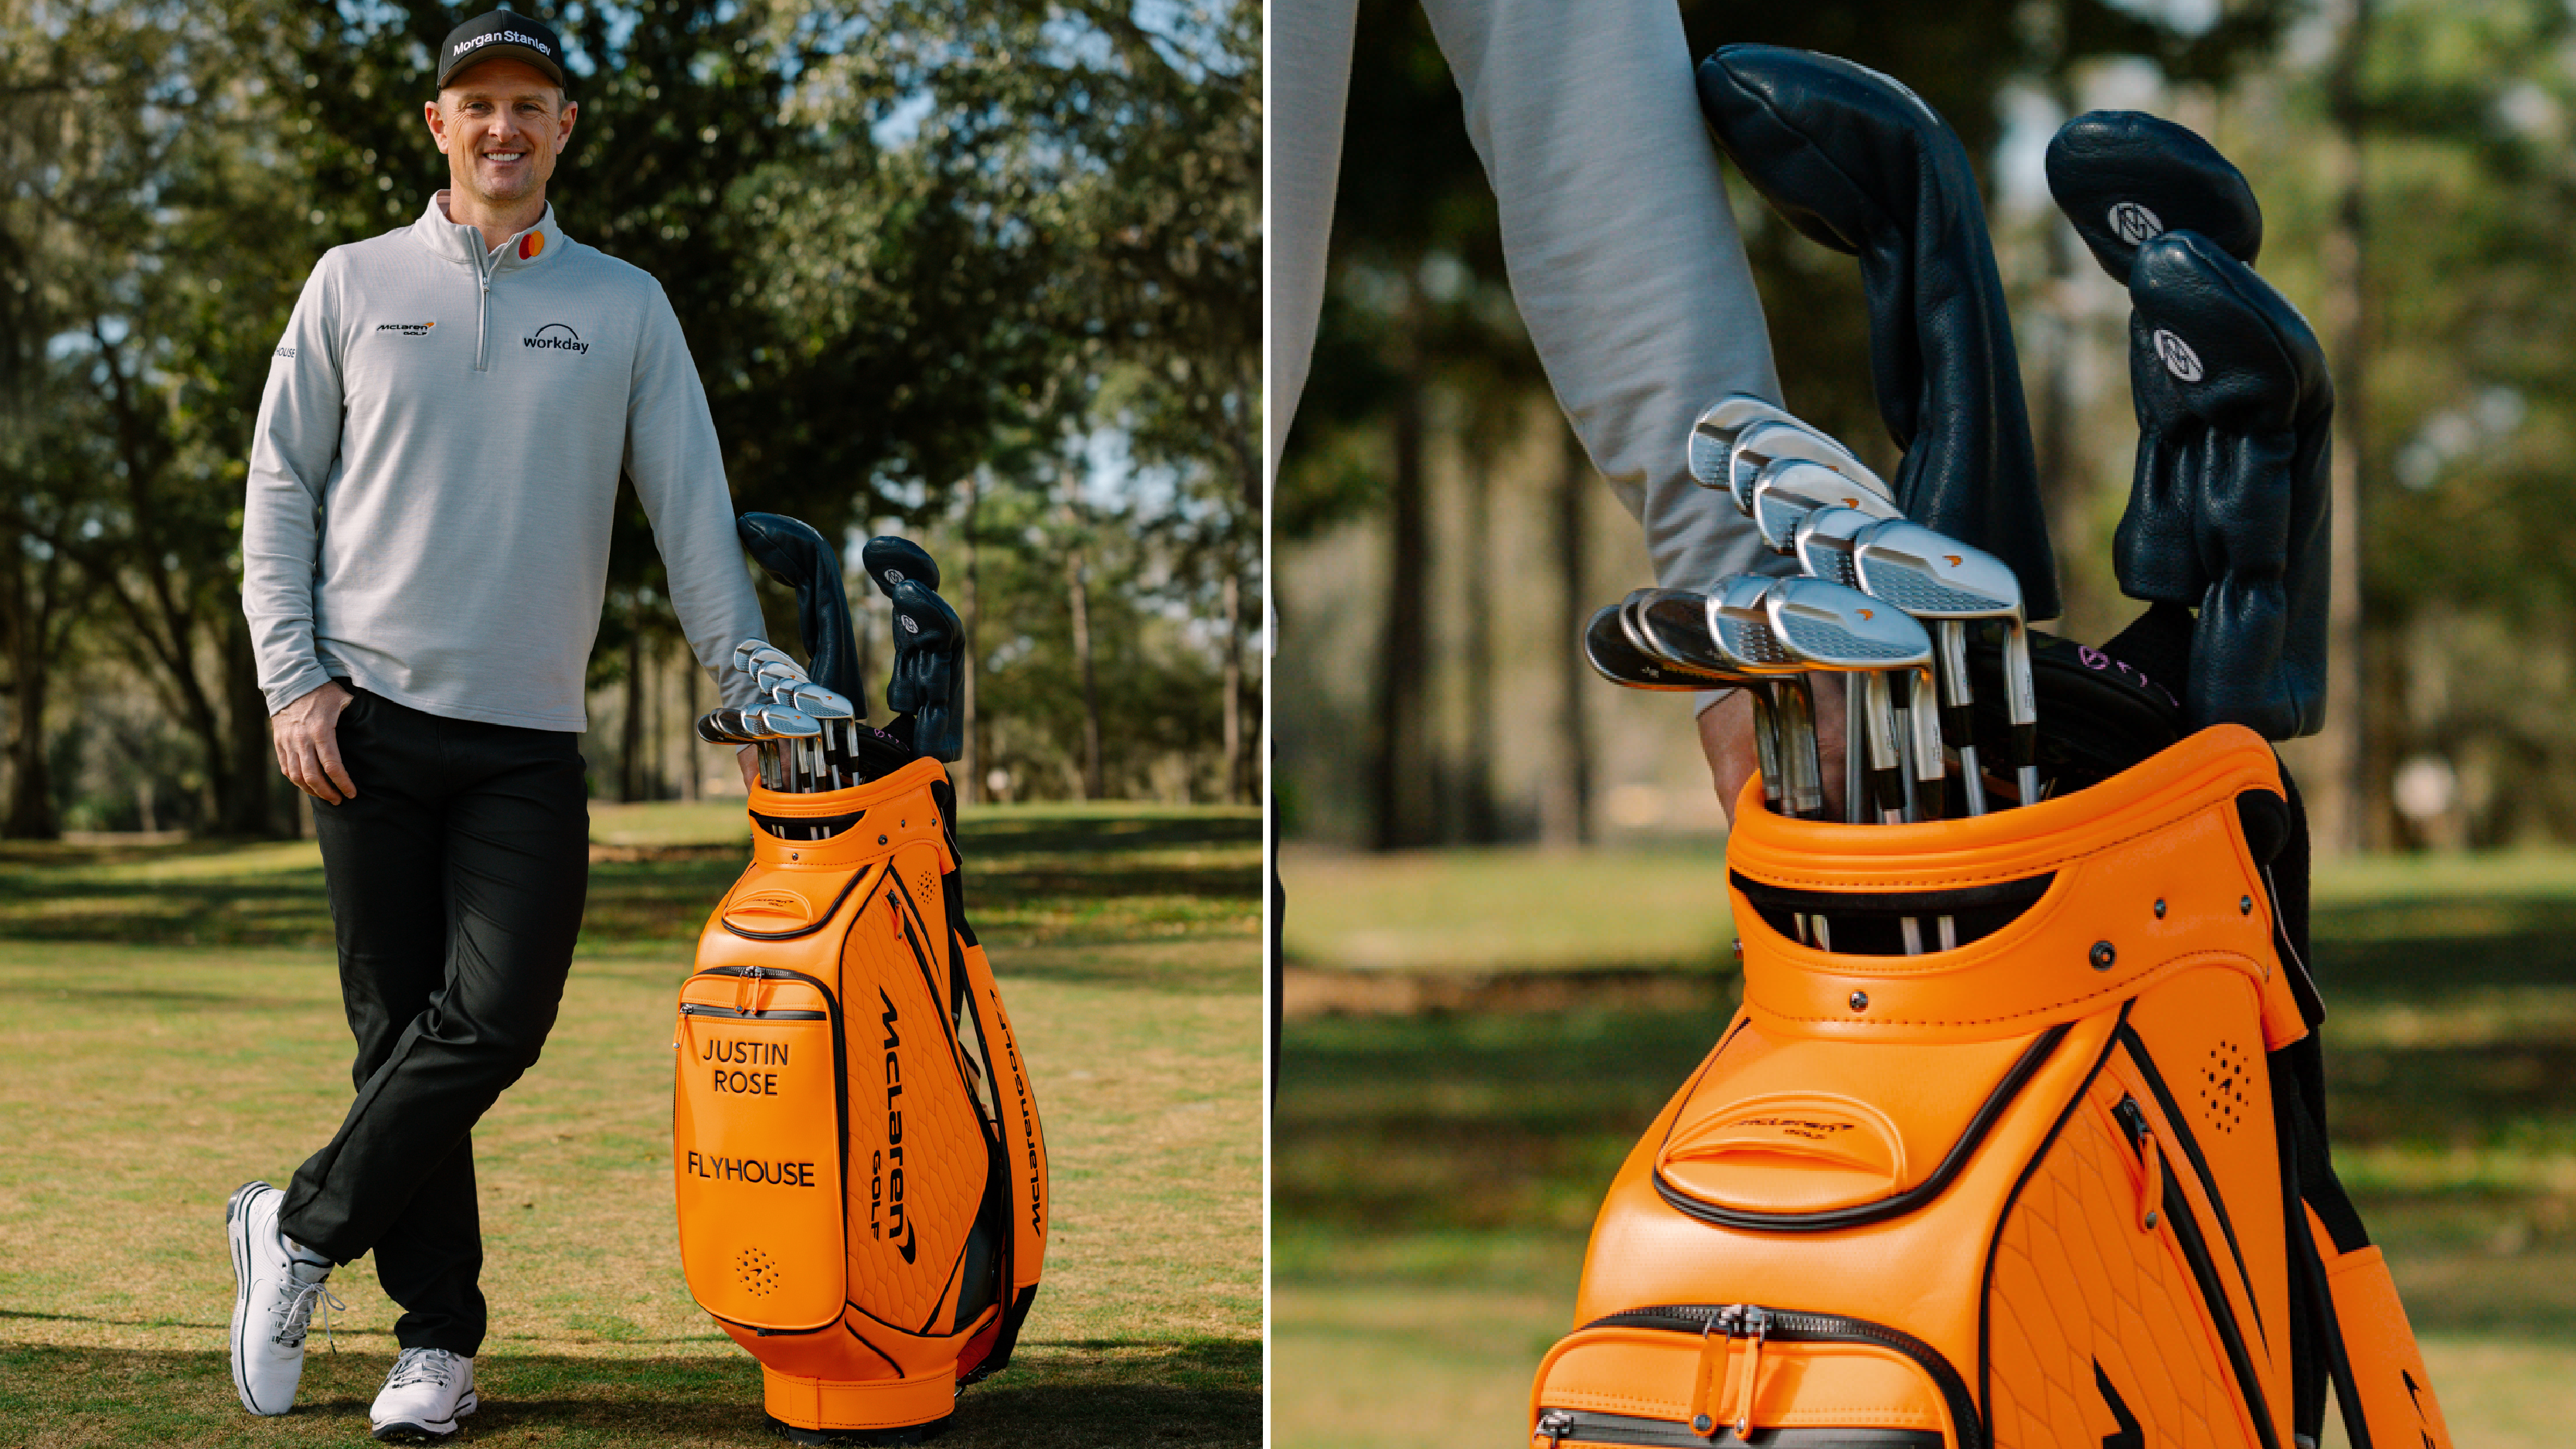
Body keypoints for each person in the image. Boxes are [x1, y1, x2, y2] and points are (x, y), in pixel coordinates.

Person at [229, 11, 765, 1440]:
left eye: (530, 104)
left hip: (527, 731)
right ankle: (438, 1348)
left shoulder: (627, 304)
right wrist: (293, 678)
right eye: (479, 105)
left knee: (498, 1018)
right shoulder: (351, 283)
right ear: (437, 125)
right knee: (396, 1036)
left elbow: (691, 510)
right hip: (363, 720)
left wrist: (748, 675)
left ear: (565, 127)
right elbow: (280, 488)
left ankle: (297, 1223)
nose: (504, 129)